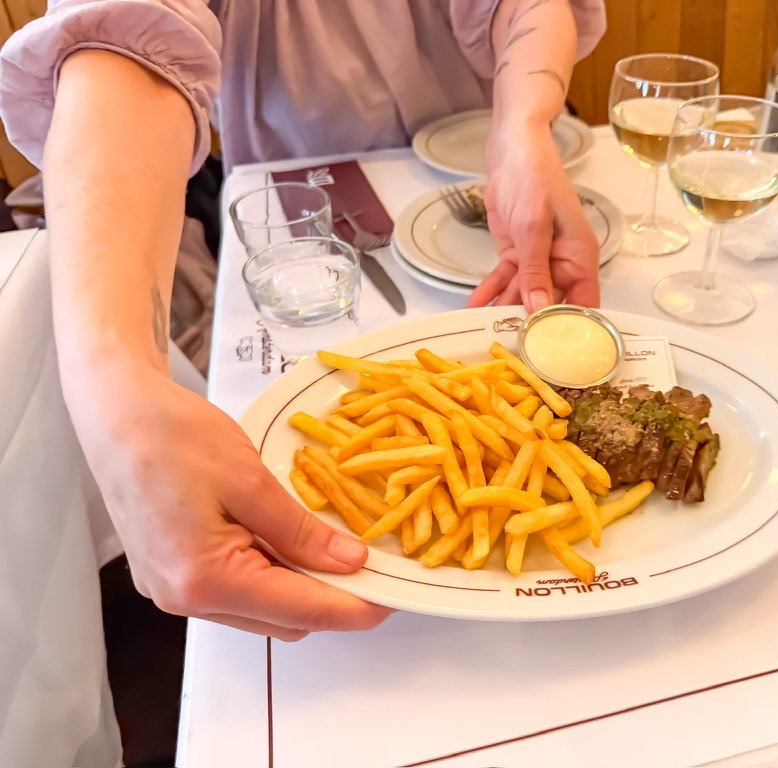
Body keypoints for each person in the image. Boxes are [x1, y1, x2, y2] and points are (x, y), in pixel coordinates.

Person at [0, 1, 606, 764]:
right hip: (292, 193)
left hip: (467, 178)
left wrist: (522, 129)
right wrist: (113, 386)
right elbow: (127, 42)